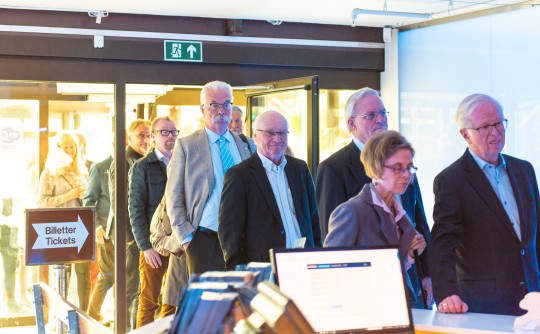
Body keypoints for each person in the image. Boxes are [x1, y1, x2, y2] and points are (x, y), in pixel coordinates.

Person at [315, 87, 432, 308]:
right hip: (367, 302)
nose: (380, 120)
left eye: (383, 114)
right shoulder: (333, 169)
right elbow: (333, 258)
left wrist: (427, 274)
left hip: (411, 290)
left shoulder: (403, 164)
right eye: (371, 116)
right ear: (351, 124)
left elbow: (420, 223)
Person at [429, 94, 540, 315]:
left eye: (499, 123)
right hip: (486, 305)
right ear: (465, 134)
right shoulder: (451, 180)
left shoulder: (524, 170)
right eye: (485, 127)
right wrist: (447, 295)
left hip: (533, 298)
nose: (495, 132)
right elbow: (443, 245)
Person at [165, 80, 253, 277]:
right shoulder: (186, 146)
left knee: (241, 303)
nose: (221, 111)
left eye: (226, 104)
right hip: (204, 241)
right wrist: (187, 238)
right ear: (202, 108)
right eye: (214, 105)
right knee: (208, 303)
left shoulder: (246, 146)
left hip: (243, 241)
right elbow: (173, 196)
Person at [218, 110, 322, 270]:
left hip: (304, 263)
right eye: (269, 133)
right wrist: (242, 275)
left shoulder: (299, 168)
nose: (277, 139)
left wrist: (318, 256)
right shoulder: (239, 175)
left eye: (282, 133)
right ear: (255, 136)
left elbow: (314, 219)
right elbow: (230, 235)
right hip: (264, 269)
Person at [128, 116, 178, 327]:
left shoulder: (182, 162)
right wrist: (145, 247)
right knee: (149, 301)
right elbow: (135, 210)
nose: (171, 136)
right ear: (153, 136)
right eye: (165, 132)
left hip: (179, 243)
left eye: (174, 132)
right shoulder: (142, 167)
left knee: (173, 300)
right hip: (154, 246)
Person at [106, 119, 151, 331]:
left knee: (138, 288)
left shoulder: (145, 160)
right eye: (140, 135)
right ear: (130, 138)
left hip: (140, 235)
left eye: (148, 135)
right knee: (129, 288)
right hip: (129, 237)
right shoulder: (123, 160)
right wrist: (130, 237)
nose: (145, 139)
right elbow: (118, 201)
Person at [37, 130, 89, 310]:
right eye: (65, 147)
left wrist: (83, 197)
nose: (69, 151)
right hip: (60, 230)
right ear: (57, 149)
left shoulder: (81, 171)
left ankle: (85, 316)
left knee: (83, 273)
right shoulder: (49, 173)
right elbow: (42, 202)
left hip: (81, 227)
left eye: (72, 147)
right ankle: (60, 317)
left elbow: (89, 199)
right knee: (62, 274)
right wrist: (69, 195)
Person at [84, 154, 113, 326]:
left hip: (128, 233)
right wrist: (97, 227)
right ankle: (92, 315)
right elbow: (88, 200)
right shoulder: (99, 167)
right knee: (107, 275)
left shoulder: (135, 163)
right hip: (105, 231)